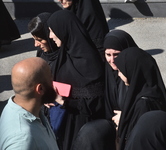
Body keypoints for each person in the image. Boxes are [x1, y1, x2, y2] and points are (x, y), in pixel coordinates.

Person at [47, 9, 105, 150]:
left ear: (64, 29)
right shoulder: (63, 55)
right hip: (62, 123)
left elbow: (96, 102)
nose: (50, 36)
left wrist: (65, 102)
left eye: (52, 31)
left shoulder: (89, 63)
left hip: (83, 128)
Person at [114, 47, 166, 149]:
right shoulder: (150, 90)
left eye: (121, 70)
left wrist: (123, 121)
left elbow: (137, 136)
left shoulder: (144, 104)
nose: (118, 74)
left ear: (132, 70)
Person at [0, 57, 59, 150]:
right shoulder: (22, 140)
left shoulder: (30, 109)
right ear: (40, 89)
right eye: (50, 77)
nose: (53, 82)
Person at [28, 12, 67, 149]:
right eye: (34, 39)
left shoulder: (67, 56)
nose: (36, 44)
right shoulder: (42, 54)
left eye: (39, 39)